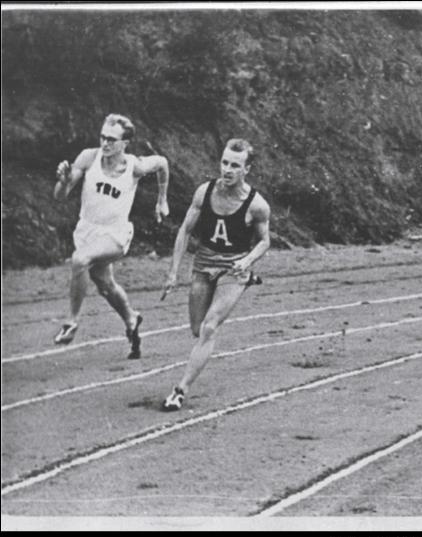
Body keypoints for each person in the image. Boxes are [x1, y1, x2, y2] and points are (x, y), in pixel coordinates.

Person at [161, 138, 270, 411]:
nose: (228, 170)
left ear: (247, 169)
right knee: (197, 329)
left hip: (233, 269)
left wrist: (247, 261)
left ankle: (180, 390)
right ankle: (244, 281)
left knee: (210, 328)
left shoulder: (257, 205)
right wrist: (173, 272)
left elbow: (264, 241)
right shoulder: (204, 192)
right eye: (224, 163)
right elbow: (185, 230)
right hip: (203, 265)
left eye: (235, 165)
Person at [52, 113, 170, 359]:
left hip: (116, 234)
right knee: (105, 284)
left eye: (112, 140)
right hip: (87, 231)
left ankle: (71, 322)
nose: (105, 144)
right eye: (103, 137)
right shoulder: (88, 157)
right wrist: (63, 182)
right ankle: (131, 319)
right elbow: (60, 196)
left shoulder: (134, 166)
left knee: (79, 260)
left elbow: (162, 164)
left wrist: (162, 200)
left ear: (125, 143)